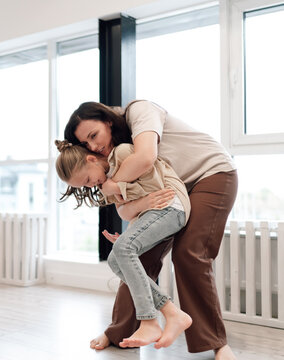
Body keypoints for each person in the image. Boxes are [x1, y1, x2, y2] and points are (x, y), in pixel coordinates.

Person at [64, 100, 237, 359]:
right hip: (170, 192)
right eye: (86, 144)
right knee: (135, 256)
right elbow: (131, 203)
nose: (94, 146)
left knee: (189, 253)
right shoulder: (116, 157)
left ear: (107, 120)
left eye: (94, 136)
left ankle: (217, 343)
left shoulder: (140, 111)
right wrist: (135, 232)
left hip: (209, 174)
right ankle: (121, 332)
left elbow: (146, 157)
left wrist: (113, 185)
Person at [55, 139, 192, 348]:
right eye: (85, 185)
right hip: (153, 215)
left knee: (123, 248)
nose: (91, 185)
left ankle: (149, 321)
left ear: (92, 159)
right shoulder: (105, 184)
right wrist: (131, 234)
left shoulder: (122, 154)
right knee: (115, 259)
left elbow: (153, 186)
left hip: (171, 205)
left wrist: (117, 187)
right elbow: (126, 211)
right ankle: (171, 311)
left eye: (88, 179)